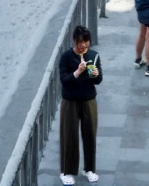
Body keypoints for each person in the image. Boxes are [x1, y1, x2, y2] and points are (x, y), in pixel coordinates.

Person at [58, 24, 102, 185]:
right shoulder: (66, 57)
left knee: (90, 135)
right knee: (69, 136)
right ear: (74, 41)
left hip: (89, 100)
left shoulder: (94, 55)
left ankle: (89, 168)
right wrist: (77, 72)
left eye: (86, 41)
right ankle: (66, 171)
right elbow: (64, 80)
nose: (83, 45)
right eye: (80, 42)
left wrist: (95, 74)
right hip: (70, 101)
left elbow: (98, 80)